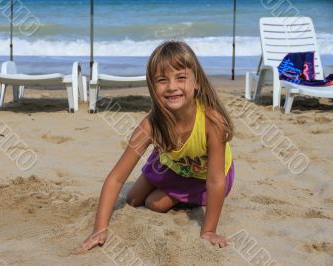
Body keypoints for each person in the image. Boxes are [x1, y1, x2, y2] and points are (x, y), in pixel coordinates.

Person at [78, 40, 235, 250]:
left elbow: (216, 181)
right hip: (172, 162)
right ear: (152, 86)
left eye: (181, 78)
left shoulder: (212, 122)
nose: (172, 87)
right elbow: (116, 178)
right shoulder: (150, 125)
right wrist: (99, 229)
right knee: (133, 199)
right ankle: (163, 175)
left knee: (155, 204)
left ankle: (176, 195)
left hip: (203, 174)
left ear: (196, 82)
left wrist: (208, 230)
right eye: (162, 80)